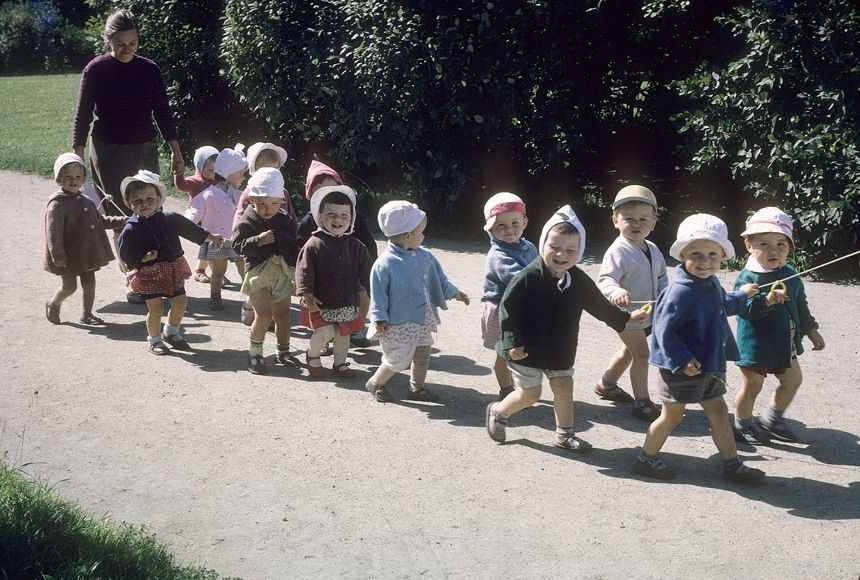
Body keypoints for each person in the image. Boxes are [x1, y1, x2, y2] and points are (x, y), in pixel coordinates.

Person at [485, 206, 647, 450]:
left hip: (561, 348)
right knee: (530, 394)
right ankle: (498, 412)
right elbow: (508, 310)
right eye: (555, 247)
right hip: (526, 350)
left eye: (571, 250)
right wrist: (512, 343)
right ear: (543, 245)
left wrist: (625, 319)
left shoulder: (578, 280)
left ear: (579, 252)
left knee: (564, 387)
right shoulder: (527, 277)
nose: (562, 255)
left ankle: (564, 435)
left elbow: (599, 305)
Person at [632, 213, 765, 483]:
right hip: (681, 368)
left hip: (709, 363)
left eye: (713, 254)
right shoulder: (679, 292)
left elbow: (721, 305)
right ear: (682, 255)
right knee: (673, 415)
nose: (705, 262)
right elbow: (664, 331)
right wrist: (682, 359)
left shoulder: (710, 282)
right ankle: (645, 457)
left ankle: (732, 464)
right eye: (696, 254)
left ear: (722, 255)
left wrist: (743, 296)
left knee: (718, 411)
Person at [71, 9, 184, 303]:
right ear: (108, 40)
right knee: (123, 215)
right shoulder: (96, 70)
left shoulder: (149, 70)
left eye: (133, 43)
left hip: (144, 146)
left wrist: (176, 150)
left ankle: (156, 273)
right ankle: (133, 277)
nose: (127, 49)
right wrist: (77, 154)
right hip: (108, 149)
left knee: (150, 209)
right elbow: (82, 114)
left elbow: (163, 112)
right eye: (120, 44)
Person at [732, 207, 825, 445]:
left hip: (784, 342)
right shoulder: (748, 278)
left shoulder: (790, 274)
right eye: (764, 244)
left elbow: (800, 304)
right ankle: (741, 425)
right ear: (749, 245)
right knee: (752, 386)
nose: (773, 251)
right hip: (755, 345)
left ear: (790, 247)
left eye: (780, 244)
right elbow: (744, 310)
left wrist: (811, 330)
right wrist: (767, 301)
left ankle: (771, 419)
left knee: (793, 380)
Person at [366, 201, 470, 402]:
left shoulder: (425, 257)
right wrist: (379, 318)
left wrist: (455, 293)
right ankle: (375, 382)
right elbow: (379, 294)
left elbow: (440, 280)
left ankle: (416, 388)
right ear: (407, 236)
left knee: (423, 353)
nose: (424, 236)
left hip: (422, 318)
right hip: (397, 323)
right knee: (398, 359)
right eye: (421, 232)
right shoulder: (384, 264)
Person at [116, 170, 221, 355]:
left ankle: (170, 332)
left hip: (173, 268)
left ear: (159, 199)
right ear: (127, 203)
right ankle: (154, 340)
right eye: (137, 201)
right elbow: (125, 252)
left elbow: (190, 229)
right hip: (148, 273)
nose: (144, 204)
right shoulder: (131, 229)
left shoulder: (169, 218)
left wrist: (210, 236)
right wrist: (142, 258)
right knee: (156, 308)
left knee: (180, 301)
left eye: (149, 199)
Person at [595, 185, 667, 422]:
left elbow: (661, 278)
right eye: (629, 219)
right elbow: (606, 279)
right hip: (625, 315)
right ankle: (642, 402)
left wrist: (666, 297)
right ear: (615, 221)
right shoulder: (618, 251)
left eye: (643, 219)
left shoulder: (653, 249)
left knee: (628, 352)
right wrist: (616, 292)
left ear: (653, 223)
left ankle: (606, 384)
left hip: (646, 313)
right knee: (641, 354)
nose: (637, 224)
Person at [295, 185, 373, 378]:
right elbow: (304, 270)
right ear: (320, 216)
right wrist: (307, 294)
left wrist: (375, 289)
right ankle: (312, 354)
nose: (338, 220)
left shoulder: (356, 245)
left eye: (344, 216)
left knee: (343, 333)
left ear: (352, 219)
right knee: (325, 332)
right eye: (331, 215)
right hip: (320, 301)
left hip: (347, 300)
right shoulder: (314, 244)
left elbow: (368, 271)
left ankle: (340, 363)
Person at [299, 159, 377, 348]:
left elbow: (367, 243)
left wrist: (372, 274)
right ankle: (323, 338)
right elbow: (300, 250)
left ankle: (354, 328)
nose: (338, 219)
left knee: (362, 295)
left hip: (349, 272)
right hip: (321, 277)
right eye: (322, 191)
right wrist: (304, 286)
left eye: (333, 189)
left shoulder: (351, 216)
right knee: (320, 306)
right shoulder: (308, 221)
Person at [232, 168, 301, 375]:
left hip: (281, 273)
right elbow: (237, 244)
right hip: (257, 273)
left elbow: (294, 245)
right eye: (262, 204)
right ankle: (255, 354)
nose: (268, 209)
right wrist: (257, 241)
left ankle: (283, 351)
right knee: (263, 315)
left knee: (283, 316)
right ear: (252, 200)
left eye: (274, 204)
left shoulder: (285, 219)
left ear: (281, 201)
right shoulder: (248, 219)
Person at [44, 153, 127, 325]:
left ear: (83, 178)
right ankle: (53, 303)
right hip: (68, 255)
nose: (73, 180)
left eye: (78, 176)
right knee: (70, 286)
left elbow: (101, 221)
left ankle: (87, 314)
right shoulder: (57, 205)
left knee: (89, 283)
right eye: (68, 176)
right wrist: (57, 254)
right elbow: (53, 232)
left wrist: (122, 220)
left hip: (87, 252)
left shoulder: (86, 200)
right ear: (59, 178)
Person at [480, 192, 538, 401]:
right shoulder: (498, 255)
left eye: (515, 223)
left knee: (519, 350)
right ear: (491, 229)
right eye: (501, 226)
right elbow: (519, 279)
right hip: (502, 311)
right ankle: (506, 390)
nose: (509, 230)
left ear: (525, 222)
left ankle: (523, 388)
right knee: (504, 353)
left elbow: (540, 265)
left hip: (521, 308)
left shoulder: (528, 246)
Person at [232, 142, 295, 325]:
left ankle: (270, 314)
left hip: (277, 246)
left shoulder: (281, 192)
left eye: (274, 168)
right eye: (263, 168)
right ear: (254, 168)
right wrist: (239, 234)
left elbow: (290, 214)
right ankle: (250, 306)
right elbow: (240, 214)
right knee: (256, 282)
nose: (269, 172)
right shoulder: (251, 192)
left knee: (274, 282)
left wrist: (293, 234)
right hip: (256, 246)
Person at [185, 146, 247, 310]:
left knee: (243, 267)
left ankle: (251, 296)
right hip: (216, 240)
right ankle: (215, 297)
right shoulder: (207, 195)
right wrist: (194, 229)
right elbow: (192, 215)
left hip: (236, 239)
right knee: (219, 271)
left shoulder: (238, 194)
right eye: (240, 172)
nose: (243, 176)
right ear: (228, 174)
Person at [175, 145, 218, 284]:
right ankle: (205, 271)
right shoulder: (195, 182)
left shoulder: (218, 181)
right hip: (201, 220)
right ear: (200, 166)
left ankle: (212, 271)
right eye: (210, 170)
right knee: (210, 245)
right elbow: (182, 185)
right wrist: (178, 174)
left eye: (216, 169)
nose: (214, 172)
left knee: (212, 245)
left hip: (214, 219)